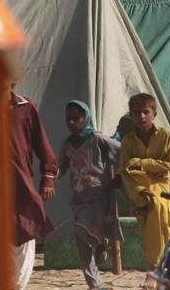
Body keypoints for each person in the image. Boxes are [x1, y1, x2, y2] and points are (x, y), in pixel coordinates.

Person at [0, 82, 58, 289]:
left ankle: (17, 285)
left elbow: (41, 144)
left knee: (25, 230)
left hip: (23, 185)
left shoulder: (27, 108)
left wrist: (48, 176)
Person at [57, 100, 123, 290]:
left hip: (98, 198)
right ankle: (94, 284)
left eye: (76, 118)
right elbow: (59, 167)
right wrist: (49, 178)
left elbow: (123, 152)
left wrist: (119, 175)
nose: (71, 122)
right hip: (78, 200)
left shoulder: (98, 139)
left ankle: (101, 240)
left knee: (81, 230)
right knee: (82, 244)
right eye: (68, 118)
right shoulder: (67, 145)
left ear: (85, 118)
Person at [120, 93, 170, 268]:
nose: (142, 117)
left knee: (157, 205)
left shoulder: (165, 136)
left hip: (160, 186)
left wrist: (142, 163)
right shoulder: (128, 141)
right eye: (136, 113)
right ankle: (157, 264)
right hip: (138, 188)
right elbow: (125, 172)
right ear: (131, 115)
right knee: (151, 206)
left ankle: (153, 265)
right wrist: (138, 190)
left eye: (145, 112)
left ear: (154, 114)